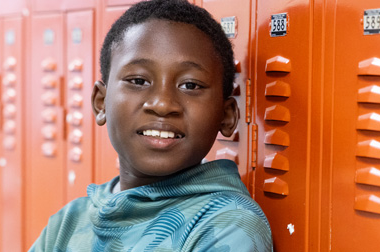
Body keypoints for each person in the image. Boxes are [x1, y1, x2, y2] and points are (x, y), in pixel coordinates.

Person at [29, 0, 272, 251]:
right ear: (101, 103)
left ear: (227, 116)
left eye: (190, 85)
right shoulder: (69, 221)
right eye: (138, 80)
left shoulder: (227, 224)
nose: (163, 104)